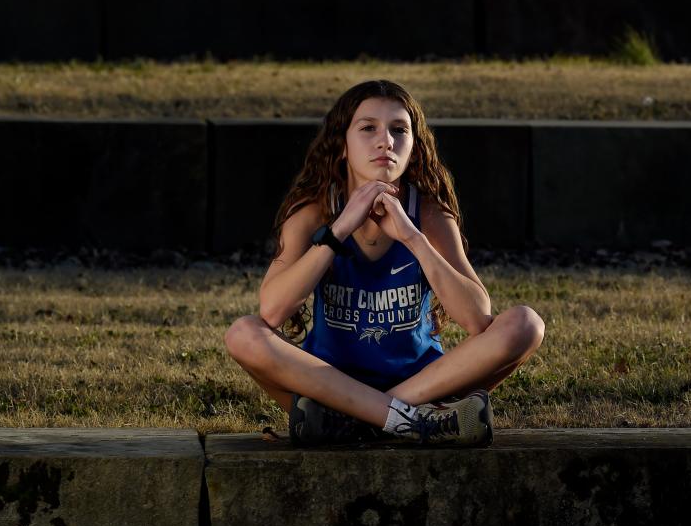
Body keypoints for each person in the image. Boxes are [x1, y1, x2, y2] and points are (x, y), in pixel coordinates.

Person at [223, 79, 544, 446]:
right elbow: (273, 309)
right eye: (368, 128)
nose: (385, 141)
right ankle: (417, 423)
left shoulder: (429, 214)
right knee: (243, 334)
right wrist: (340, 228)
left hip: (419, 384)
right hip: (328, 385)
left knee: (525, 324)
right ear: (341, 144)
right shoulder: (312, 213)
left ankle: (371, 422)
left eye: (399, 130)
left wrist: (413, 238)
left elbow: (476, 317)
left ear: (414, 147)